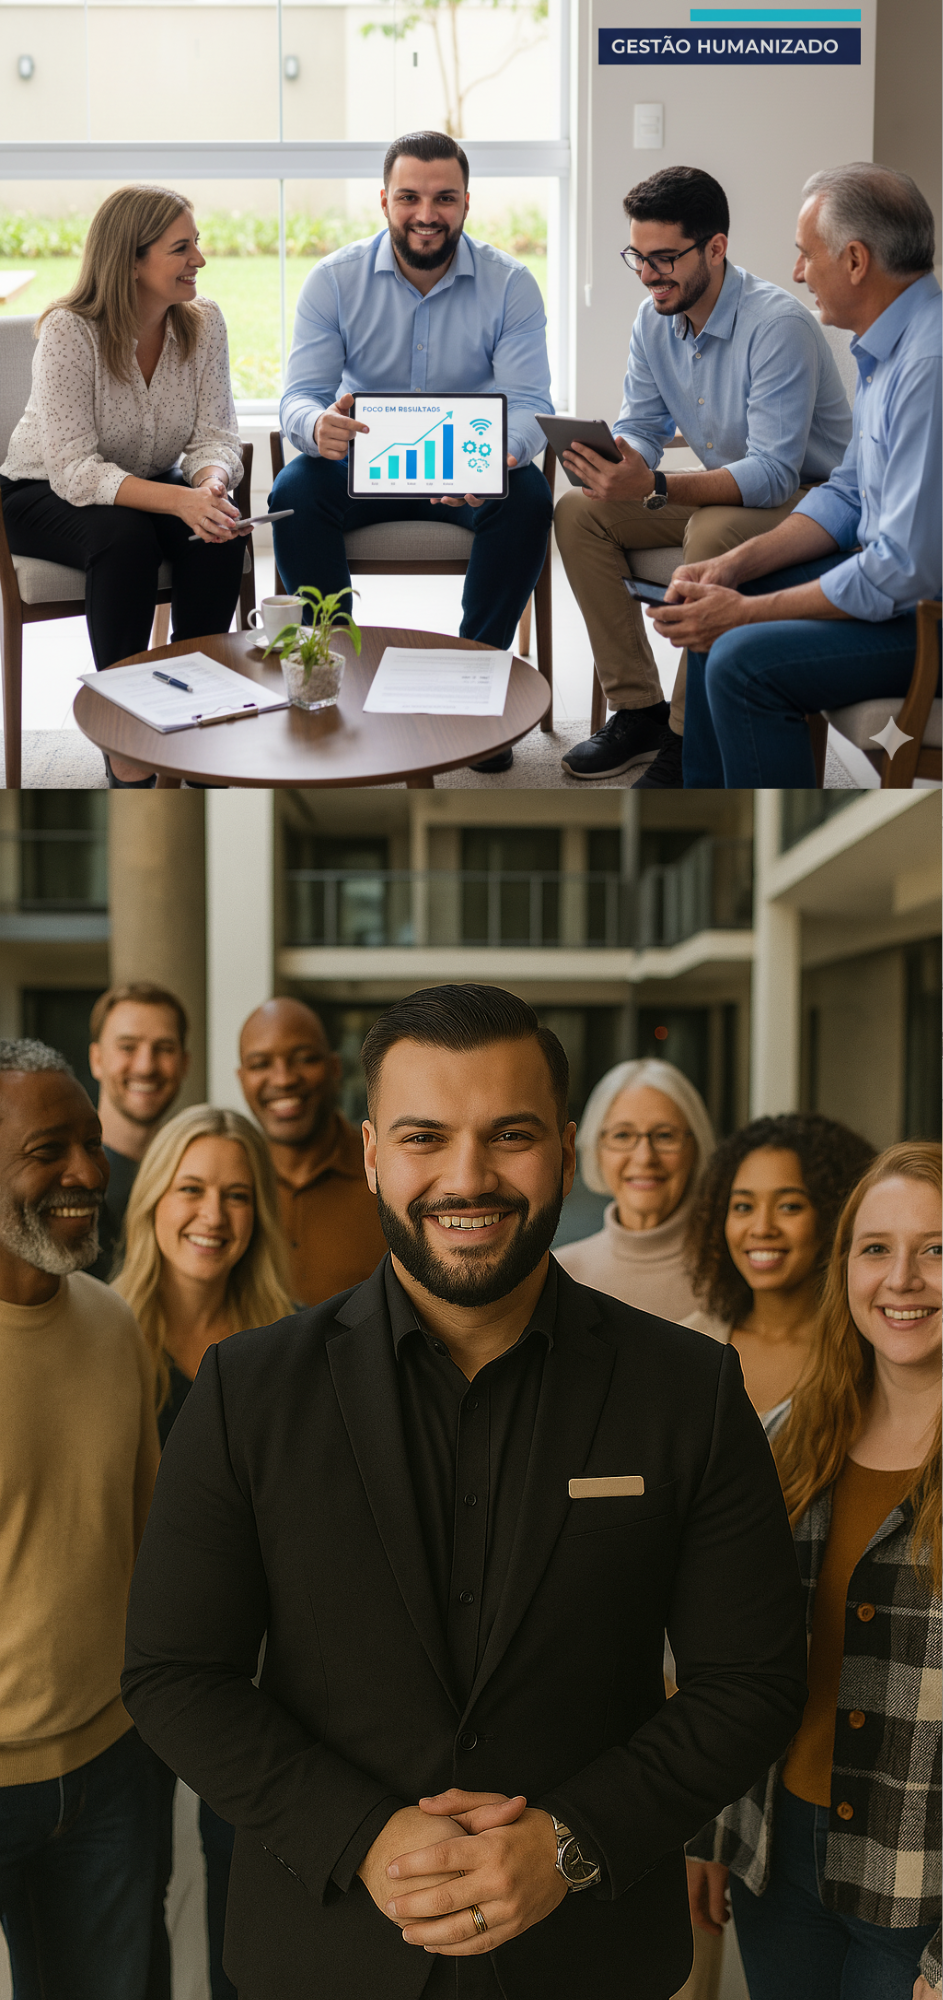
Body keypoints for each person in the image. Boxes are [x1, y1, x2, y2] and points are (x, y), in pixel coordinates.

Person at [123, 982, 807, 2000]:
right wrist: (364, 1835)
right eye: (423, 1135)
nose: (467, 1175)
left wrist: (568, 1841)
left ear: (565, 1147)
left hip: (589, 1954)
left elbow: (749, 1677)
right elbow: (175, 1671)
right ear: (369, 1152)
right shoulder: (247, 1389)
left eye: (510, 1133)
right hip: (323, 1950)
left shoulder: (688, 1390)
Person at [686, 1141, 942, 2000]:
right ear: (846, 1268)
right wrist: (715, 1832)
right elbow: (739, 1659)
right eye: (876, 1248)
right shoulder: (790, 1437)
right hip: (779, 1860)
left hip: (921, 1893)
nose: (901, 1279)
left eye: (936, 1249)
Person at [554, 165, 852, 784]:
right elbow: (645, 424)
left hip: (810, 500)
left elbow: (772, 473)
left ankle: (690, 739)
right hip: (736, 490)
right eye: (638, 256)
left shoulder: (778, 327)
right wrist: (621, 458)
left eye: (664, 258)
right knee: (578, 513)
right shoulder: (652, 319)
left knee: (714, 530)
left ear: (715, 248)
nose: (648, 274)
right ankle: (638, 709)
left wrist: (655, 486)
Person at [270, 129, 555, 774]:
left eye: (444, 198)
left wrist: (497, 457)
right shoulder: (334, 280)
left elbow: (530, 402)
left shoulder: (511, 285)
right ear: (384, 201)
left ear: (466, 203)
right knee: (293, 495)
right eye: (410, 197)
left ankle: (475, 682)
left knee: (529, 497)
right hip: (362, 455)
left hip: (465, 459)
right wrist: (318, 428)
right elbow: (300, 397)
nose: (427, 214)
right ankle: (332, 672)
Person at [648, 164, 942, 788]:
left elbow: (899, 570)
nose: (798, 272)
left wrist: (746, 612)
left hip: (928, 617)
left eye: (807, 255)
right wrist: (733, 569)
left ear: (856, 260)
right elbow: (847, 495)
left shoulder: (927, 367)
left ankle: (767, 853)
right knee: (715, 602)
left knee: (739, 659)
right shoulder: (887, 349)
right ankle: (701, 807)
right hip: (901, 588)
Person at [115, 1104, 294, 2000]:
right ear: (152, 1198)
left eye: (235, 1194)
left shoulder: (292, 1347)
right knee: (123, 1900)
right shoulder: (101, 1337)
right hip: (121, 1672)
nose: (212, 1216)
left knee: (245, 1892)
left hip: (256, 1677)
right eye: (191, 1189)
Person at [0, 1038, 160, 1999]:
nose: (89, 1173)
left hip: (110, 1768)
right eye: (48, 1148)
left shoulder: (114, 1323)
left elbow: (144, 1541)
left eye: (93, 1144)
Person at [0, 184, 248, 787]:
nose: (200, 260)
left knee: (219, 530)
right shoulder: (69, 331)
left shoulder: (203, 323)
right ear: (131, 261)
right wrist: (180, 500)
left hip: (146, 482)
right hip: (40, 491)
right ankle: (126, 731)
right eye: (181, 248)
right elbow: (74, 469)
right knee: (126, 540)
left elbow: (215, 435)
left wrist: (211, 485)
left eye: (198, 244)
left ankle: (197, 708)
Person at [683, 1113, 875, 1421]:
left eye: (789, 1206)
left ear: (834, 1214)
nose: (762, 1228)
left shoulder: (871, 1352)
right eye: (743, 1207)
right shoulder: (687, 1344)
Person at [237, 996, 387, 1306]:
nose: (283, 1079)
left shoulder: (389, 1177)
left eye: (304, 1058)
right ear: (242, 1079)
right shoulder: (227, 1185)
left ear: (334, 1067)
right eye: (260, 1064)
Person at [555, 1058, 715, 1322]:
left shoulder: (736, 1271)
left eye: (665, 1136)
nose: (644, 1157)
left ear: (695, 1148)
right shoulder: (558, 1274)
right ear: (596, 1150)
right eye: (622, 1135)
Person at [87, 980, 190, 1282]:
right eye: (128, 1047)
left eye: (164, 1048)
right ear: (96, 1059)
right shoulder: (60, 1175)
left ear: (185, 1063)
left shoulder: (194, 1178)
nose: (146, 1066)